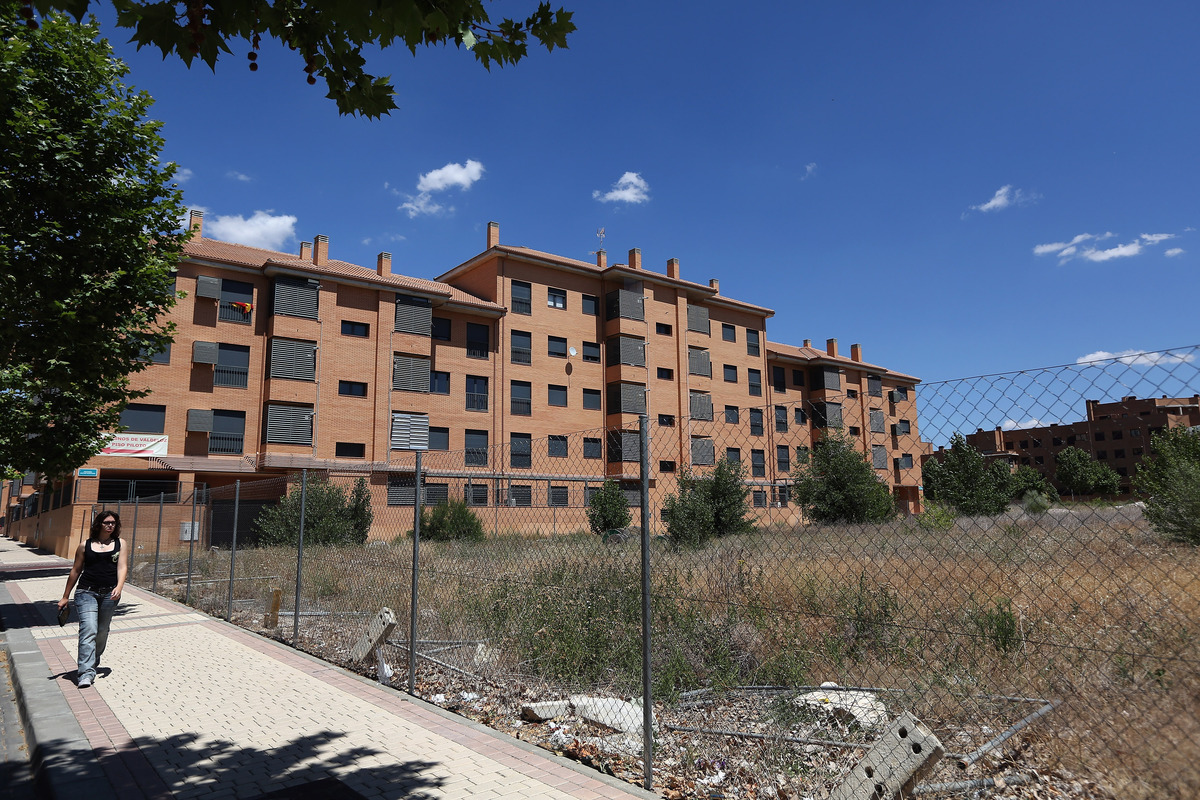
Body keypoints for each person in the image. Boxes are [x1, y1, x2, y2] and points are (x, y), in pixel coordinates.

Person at [58, 511, 128, 688]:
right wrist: (65, 596)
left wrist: (119, 587)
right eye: (107, 522)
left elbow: (122, 567)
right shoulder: (85, 545)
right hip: (86, 592)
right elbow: (75, 570)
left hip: (109, 594)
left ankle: (93, 659)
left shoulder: (120, 544)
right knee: (89, 629)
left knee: (102, 631)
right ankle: (86, 673)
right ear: (99, 524)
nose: (110, 525)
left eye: (113, 523)